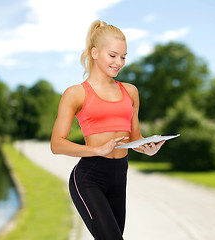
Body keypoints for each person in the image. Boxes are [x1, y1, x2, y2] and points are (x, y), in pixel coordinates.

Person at [51, 20, 165, 240]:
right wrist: (97, 150)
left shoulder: (130, 91)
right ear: (95, 53)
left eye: (123, 57)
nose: (119, 62)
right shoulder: (76, 93)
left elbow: (135, 138)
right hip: (89, 177)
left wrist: (148, 149)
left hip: (119, 175)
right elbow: (57, 144)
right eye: (113, 55)